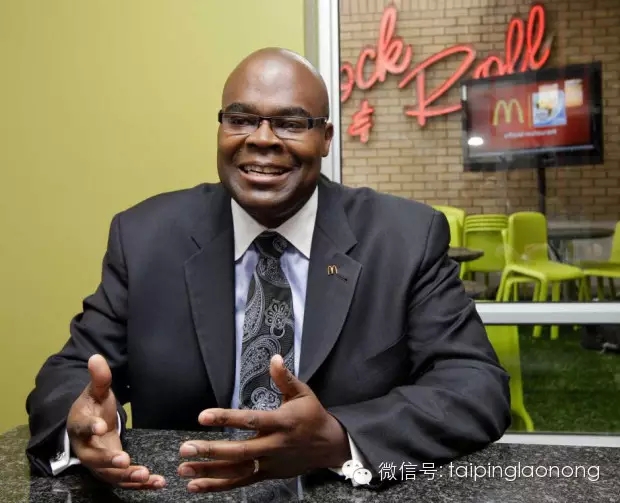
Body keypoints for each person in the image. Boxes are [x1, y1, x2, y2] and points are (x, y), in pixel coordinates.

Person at [25, 47, 511, 493]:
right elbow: (71, 372)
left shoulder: (404, 238)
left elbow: (475, 385)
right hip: (180, 489)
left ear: (326, 138)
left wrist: (339, 438)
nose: (261, 139)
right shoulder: (145, 237)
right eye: (240, 119)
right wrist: (81, 423)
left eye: (291, 123)